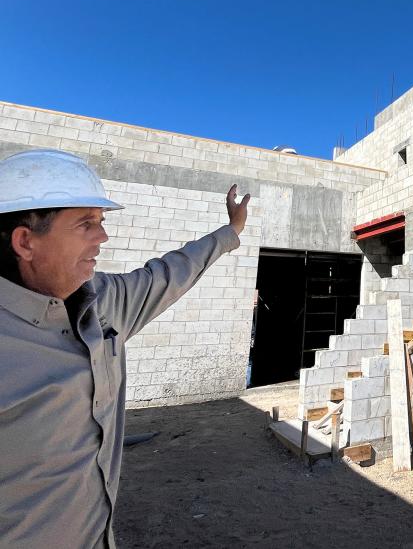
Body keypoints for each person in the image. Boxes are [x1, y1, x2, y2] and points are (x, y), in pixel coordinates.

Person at [0, 149, 251, 548]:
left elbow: (169, 273)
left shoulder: (102, 300)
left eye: (101, 222)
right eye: (86, 224)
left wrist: (230, 231)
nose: (102, 237)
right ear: (25, 242)